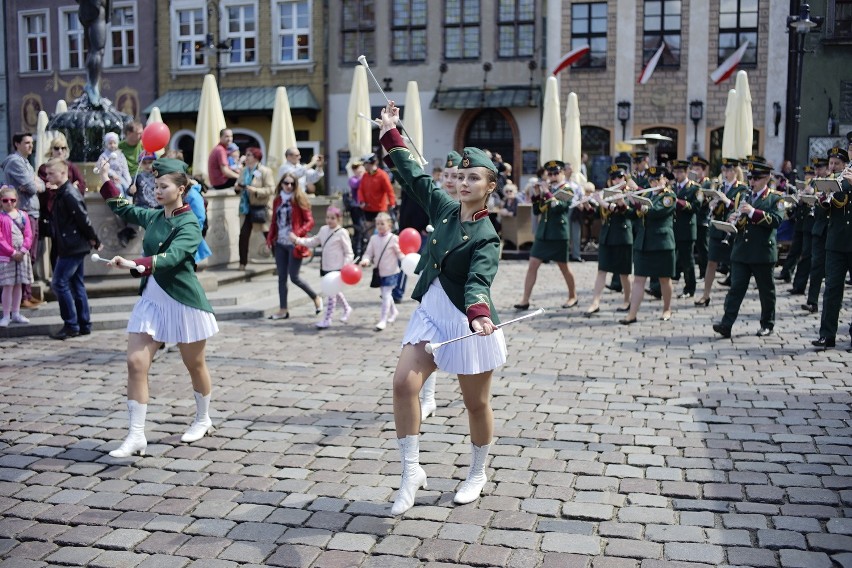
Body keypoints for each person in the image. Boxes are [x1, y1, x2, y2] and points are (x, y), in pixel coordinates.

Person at [378, 101, 507, 515]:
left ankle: (477, 471)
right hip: (431, 312)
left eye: (474, 177)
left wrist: (480, 313)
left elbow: (478, 281)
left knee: (476, 405)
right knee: (403, 384)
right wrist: (392, 132)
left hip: (466, 320)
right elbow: (415, 177)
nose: (464, 181)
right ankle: (410, 470)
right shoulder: (446, 209)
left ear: (489, 187)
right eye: (461, 175)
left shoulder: (487, 235)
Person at [97, 158, 219, 457]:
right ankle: (136, 435)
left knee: (195, 365)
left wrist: (135, 263)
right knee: (136, 363)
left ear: (180, 189)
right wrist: (105, 179)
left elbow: (175, 257)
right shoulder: (154, 217)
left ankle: (203, 418)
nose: (157, 191)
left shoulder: (189, 222)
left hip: (183, 301)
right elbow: (123, 207)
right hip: (152, 300)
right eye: (155, 186)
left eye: (163, 186)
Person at [713, 160, 784, 338]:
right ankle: (726, 323)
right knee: (735, 289)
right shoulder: (743, 195)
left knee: (766, 291)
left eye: (757, 178)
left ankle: (767, 324)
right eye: (751, 178)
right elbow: (735, 214)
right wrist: (732, 219)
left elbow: (776, 221)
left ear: (767, 178)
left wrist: (752, 212)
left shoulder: (776, 198)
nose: (752, 182)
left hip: (762, 252)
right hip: (741, 250)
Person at [45, 158, 101, 340]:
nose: (47, 176)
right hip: (72, 245)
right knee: (76, 284)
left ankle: (71, 325)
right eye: (47, 173)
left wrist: (94, 238)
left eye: (51, 173)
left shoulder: (68, 193)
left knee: (59, 283)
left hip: (73, 246)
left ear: (63, 173)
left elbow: (83, 218)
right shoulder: (63, 192)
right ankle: (83, 324)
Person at [514, 160, 578, 310]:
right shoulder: (546, 189)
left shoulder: (567, 189)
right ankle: (525, 299)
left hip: (558, 234)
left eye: (556, 173)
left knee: (564, 267)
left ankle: (572, 296)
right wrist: (536, 195)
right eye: (550, 173)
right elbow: (537, 211)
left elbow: (559, 208)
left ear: (563, 173)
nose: (553, 176)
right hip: (543, 233)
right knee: (532, 265)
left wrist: (547, 192)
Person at [621, 166, 676, 324]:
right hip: (644, 242)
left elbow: (655, 212)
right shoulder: (645, 194)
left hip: (662, 243)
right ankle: (632, 313)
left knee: (664, 279)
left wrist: (636, 202)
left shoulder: (669, 196)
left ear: (664, 179)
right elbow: (633, 215)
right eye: (651, 180)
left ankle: (667, 308)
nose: (654, 183)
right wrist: (623, 204)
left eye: (657, 179)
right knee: (639, 279)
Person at [265, 173, 322, 319]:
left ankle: (316, 297)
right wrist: (269, 239)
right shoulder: (277, 200)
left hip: (295, 244)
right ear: (281, 184)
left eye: (292, 183)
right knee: (281, 277)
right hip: (280, 243)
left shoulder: (299, 199)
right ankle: (283, 309)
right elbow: (273, 222)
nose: (289, 186)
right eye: (286, 183)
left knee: (294, 277)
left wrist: (297, 234)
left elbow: (310, 222)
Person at [812, 148, 852, 349]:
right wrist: (824, 196)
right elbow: (823, 209)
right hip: (836, 242)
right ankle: (827, 334)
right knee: (832, 289)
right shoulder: (836, 178)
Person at [695, 158, 748, 307]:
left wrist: (727, 201)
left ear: (735, 171)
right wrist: (712, 203)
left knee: (734, 264)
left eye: (729, 170)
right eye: (724, 170)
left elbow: (740, 207)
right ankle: (705, 295)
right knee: (711, 262)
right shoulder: (718, 186)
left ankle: (733, 298)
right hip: (717, 229)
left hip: (732, 230)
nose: (726, 173)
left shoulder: (741, 189)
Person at [1, 133, 45, 308]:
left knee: (31, 255)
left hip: (31, 211)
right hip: (22, 212)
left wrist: (35, 183)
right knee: (25, 255)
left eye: (31, 143)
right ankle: (21, 298)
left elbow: (40, 183)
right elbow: (34, 187)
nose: (30, 146)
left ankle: (26, 294)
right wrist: (34, 184)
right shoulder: (15, 162)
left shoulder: (26, 161)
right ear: (16, 144)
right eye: (26, 143)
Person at [584, 165, 634, 316]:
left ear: (625, 179)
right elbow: (599, 215)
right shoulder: (605, 194)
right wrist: (587, 205)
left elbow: (625, 212)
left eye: (620, 177)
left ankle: (627, 300)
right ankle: (595, 302)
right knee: (602, 270)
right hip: (607, 236)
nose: (616, 180)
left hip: (622, 236)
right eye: (614, 178)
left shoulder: (630, 194)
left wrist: (605, 202)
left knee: (624, 273)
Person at [293, 206, 354, 328]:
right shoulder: (323, 230)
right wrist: (298, 240)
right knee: (335, 291)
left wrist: (345, 267)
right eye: (328, 217)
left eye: (333, 218)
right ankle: (347, 308)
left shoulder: (342, 232)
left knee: (331, 294)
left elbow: (349, 252)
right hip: (326, 266)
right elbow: (313, 241)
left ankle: (327, 319)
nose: (329, 220)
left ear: (339, 219)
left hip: (337, 268)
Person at [37, 135, 87, 271]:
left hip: (70, 211)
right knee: (56, 243)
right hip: (53, 212)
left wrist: (66, 188)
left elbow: (82, 185)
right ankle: (56, 275)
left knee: (70, 243)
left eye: (63, 148)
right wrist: (69, 186)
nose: (60, 151)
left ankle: (68, 276)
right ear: (51, 150)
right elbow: (46, 190)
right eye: (56, 148)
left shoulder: (70, 166)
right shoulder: (44, 168)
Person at [359, 212, 404, 330]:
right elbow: (368, 253)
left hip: (392, 272)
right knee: (386, 295)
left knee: (385, 295)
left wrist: (406, 260)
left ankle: (383, 320)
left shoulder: (394, 239)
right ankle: (394, 312)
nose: (379, 226)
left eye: (382, 224)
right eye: (377, 224)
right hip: (379, 272)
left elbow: (399, 253)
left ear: (389, 225)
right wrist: (366, 260)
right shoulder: (373, 239)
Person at [235, 147, 275, 270]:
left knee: (269, 235)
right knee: (243, 236)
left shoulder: (265, 171)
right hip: (247, 208)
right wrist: (237, 188)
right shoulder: (244, 171)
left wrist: (255, 190)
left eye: (249, 155)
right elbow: (238, 185)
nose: (246, 157)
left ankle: (279, 261)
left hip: (260, 208)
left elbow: (271, 189)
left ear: (256, 157)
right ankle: (242, 263)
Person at [0, 187, 34, 327]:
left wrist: (24, 249)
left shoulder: (23, 215)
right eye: (5, 200)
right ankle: (6, 314)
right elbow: (0, 238)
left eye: (12, 200)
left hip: (22, 253)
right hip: (7, 256)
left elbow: (28, 234)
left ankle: (16, 313)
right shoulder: (1, 217)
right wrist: (12, 252)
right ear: (1, 202)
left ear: (17, 200)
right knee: (8, 285)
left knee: (19, 284)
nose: (9, 203)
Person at [670, 159, 702, 299]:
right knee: (670, 259)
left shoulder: (695, 188)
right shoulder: (671, 187)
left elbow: (696, 207)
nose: (677, 174)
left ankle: (690, 288)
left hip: (687, 230)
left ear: (686, 172)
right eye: (675, 171)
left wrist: (678, 202)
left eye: (680, 172)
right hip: (672, 228)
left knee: (687, 261)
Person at [789, 165, 817, 295]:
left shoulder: (826, 182)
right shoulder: (811, 183)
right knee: (804, 255)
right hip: (806, 224)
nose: (809, 175)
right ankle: (798, 285)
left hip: (818, 225)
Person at [77, 0, 109, 105]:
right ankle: (93, 88)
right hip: (95, 10)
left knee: (94, 50)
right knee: (97, 50)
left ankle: (92, 86)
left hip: (93, 9)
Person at [358, 153, 396, 237]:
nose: (364, 166)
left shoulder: (382, 175)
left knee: (381, 230)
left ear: (370, 163)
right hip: (368, 208)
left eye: (365, 164)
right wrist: (361, 201)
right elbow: (360, 190)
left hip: (380, 209)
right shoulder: (365, 175)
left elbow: (389, 190)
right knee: (369, 231)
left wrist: (392, 203)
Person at [690, 155, 712, 281]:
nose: (695, 172)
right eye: (693, 169)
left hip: (703, 219)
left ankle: (704, 272)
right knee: (695, 248)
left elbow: (705, 201)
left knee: (703, 248)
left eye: (698, 169)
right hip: (693, 219)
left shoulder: (708, 183)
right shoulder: (692, 184)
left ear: (703, 171)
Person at [185, 179, 212, 267]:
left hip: (195, 229)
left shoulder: (192, 194)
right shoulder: (189, 193)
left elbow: (200, 216)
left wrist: (195, 231)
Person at [564, 162, 585, 262]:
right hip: (566, 209)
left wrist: (581, 203)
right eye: (568, 169)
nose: (571, 171)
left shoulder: (576, 184)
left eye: (571, 169)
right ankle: (564, 255)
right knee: (565, 233)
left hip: (576, 210)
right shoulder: (562, 184)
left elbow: (581, 196)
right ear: (564, 171)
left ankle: (576, 255)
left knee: (576, 233)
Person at [346, 161, 367, 260]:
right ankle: (356, 252)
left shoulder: (364, 177)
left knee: (364, 230)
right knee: (358, 230)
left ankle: (363, 252)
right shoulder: (352, 179)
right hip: (355, 208)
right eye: (356, 169)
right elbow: (356, 185)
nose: (359, 171)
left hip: (365, 207)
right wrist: (363, 176)